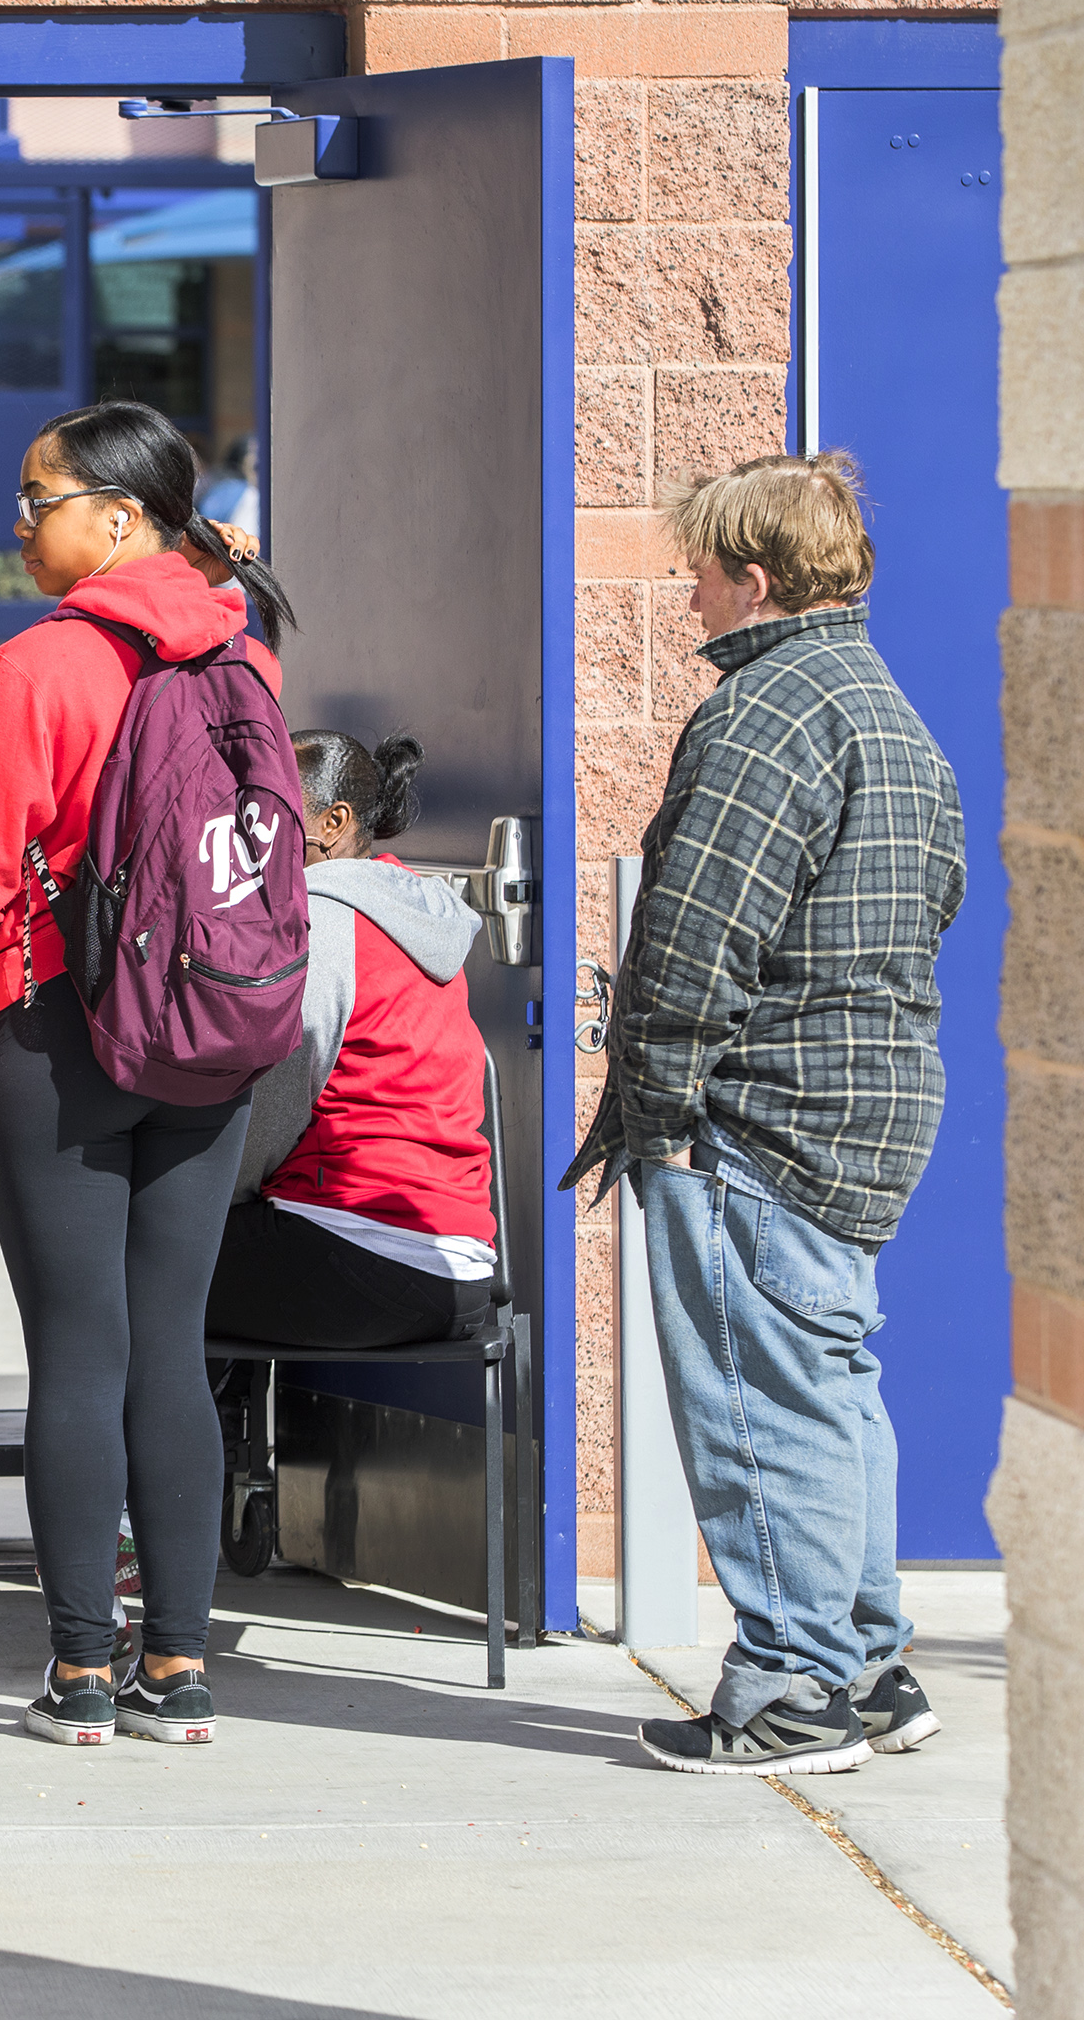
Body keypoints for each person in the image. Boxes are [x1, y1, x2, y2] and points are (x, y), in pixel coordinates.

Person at [562, 452, 965, 1779]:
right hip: (871, 1094)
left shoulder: (765, 714)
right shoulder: (890, 712)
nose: (684, 594)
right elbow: (940, 894)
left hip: (758, 1109)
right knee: (829, 1382)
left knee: (757, 1398)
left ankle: (790, 1687)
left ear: (754, 575)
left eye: (698, 570)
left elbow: (691, 941)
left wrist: (659, 1109)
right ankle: (863, 1659)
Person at [0, 399, 299, 1751]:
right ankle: (181, 1668)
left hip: (64, 1028)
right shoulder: (238, 652)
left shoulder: (43, 665)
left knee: (76, 1351)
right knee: (172, 1350)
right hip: (210, 1032)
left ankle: (83, 1671)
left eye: (41, 498)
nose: (20, 523)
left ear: (118, 517)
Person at [207, 732, 498, 1351]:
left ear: (333, 822)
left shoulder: (324, 924)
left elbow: (270, 1113)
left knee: (135, 1268)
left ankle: (196, 1447)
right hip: (460, 1268)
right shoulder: (414, 917)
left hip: (360, 1251)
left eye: (270, 814)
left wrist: (203, 1194)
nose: (251, 836)